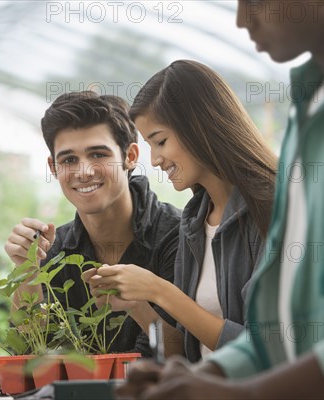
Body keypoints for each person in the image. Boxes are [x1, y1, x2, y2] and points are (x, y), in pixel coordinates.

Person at [116, 0, 324, 399]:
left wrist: (249, 393)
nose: (240, 19)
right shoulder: (314, 106)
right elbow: (289, 327)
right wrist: (211, 375)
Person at [84, 60, 277, 362]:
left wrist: (161, 291)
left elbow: (267, 351)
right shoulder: (194, 222)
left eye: (160, 141)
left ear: (199, 127)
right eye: (149, 144)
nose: (156, 159)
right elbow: (185, 351)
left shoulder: (274, 208)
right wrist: (138, 302)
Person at [3, 91, 181, 356]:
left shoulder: (178, 236)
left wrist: (138, 306)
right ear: (54, 168)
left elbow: (185, 352)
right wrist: (27, 271)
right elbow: (31, 354)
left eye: (98, 154)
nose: (84, 172)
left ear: (130, 156)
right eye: (69, 160)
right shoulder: (53, 249)